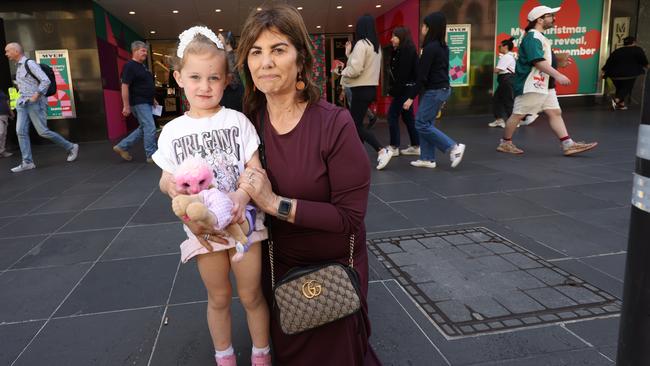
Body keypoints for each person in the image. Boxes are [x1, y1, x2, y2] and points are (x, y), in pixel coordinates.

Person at [235, 4, 381, 365]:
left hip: (334, 268)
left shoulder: (335, 123)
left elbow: (349, 218)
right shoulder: (247, 125)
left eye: (278, 49)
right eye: (256, 52)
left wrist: (273, 204)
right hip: (277, 264)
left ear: (301, 60)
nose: (265, 62)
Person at [153, 27, 271, 366]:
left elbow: (255, 169)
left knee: (251, 294)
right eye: (195, 77)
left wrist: (241, 196)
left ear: (226, 80)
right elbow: (165, 178)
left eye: (213, 78)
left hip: (244, 224)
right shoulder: (173, 131)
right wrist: (171, 187)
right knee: (218, 296)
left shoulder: (238, 122)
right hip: (203, 229)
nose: (204, 86)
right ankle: (224, 356)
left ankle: (261, 354)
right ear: (178, 77)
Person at [496, 5, 597, 156]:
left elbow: (542, 60)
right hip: (532, 84)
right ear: (540, 19)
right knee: (518, 114)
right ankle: (505, 143)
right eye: (550, 16)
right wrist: (558, 74)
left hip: (543, 84)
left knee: (555, 112)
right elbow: (537, 61)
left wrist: (557, 63)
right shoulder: (533, 37)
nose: (554, 18)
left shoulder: (539, 37)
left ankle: (568, 144)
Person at [403, 12, 466, 169]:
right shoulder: (442, 47)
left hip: (435, 90)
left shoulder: (430, 48)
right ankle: (427, 158)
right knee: (427, 123)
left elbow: (422, 76)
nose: (422, 28)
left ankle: (453, 147)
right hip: (441, 89)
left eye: (424, 26)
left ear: (431, 28)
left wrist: (411, 97)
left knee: (421, 124)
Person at [4, 42, 79, 172]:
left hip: (35, 103)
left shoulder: (29, 64)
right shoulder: (19, 66)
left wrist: (36, 95)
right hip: (22, 104)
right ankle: (27, 162)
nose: (6, 54)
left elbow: (46, 80)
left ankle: (71, 147)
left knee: (43, 131)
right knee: (20, 131)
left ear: (16, 51)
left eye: (8, 51)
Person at [341, 14, 393, 170]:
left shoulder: (361, 44)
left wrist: (342, 71)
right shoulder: (375, 46)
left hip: (360, 89)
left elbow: (356, 69)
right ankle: (357, 156)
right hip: (370, 89)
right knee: (356, 124)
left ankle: (381, 150)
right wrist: (349, 55)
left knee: (355, 125)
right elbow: (363, 65)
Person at [113, 41, 158, 163]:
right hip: (139, 102)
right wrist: (126, 106)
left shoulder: (142, 66)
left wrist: (153, 99)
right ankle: (151, 155)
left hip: (146, 101)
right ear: (135, 51)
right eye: (143, 51)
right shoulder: (130, 66)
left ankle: (122, 147)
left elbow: (145, 85)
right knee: (150, 127)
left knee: (144, 127)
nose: (145, 53)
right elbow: (125, 86)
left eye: (145, 51)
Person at [386, 26, 420, 156]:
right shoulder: (403, 50)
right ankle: (416, 145)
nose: (391, 39)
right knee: (408, 117)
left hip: (404, 89)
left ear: (401, 37)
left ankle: (394, 146)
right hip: (406, 88)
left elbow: (402, 75)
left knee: (392, 115)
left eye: (394, 36)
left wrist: (395, 92)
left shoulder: (407, 51)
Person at [602, 36, 649, 110]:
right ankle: (616, 100)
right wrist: (647, 66)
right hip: (629, 74)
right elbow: (643, 61)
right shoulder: (637, 49)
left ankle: (621, 104)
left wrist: (603, 71)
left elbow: (609, 62)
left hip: (613, 75)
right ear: (634, 42)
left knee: (620, 88)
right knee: (626, 88)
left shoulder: (617, 51)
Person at [489, 37, 516, 128]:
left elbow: (497, 70)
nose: (499, 47)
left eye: (500, 46)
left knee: (507, 101)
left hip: (506, 80)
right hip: (506, 80)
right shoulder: (508, 56)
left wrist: (494, 69)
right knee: (497, 99)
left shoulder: (506, 57)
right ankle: (499, 120)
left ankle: (513, 122)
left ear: (505, 46)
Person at [219, 31, 244, 112]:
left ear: (226, 40)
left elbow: (236, 77)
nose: (217, 40)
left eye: (219, 38)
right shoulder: (223, 55)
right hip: (227, 89)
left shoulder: (236, 55)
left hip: (235, 91)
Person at [0, 88, 13, 157]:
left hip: (4, 114)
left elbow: (7, 102)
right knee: (1, 132)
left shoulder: (1, 91)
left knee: (4, 134)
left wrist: (10, 112)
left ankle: (2, 151)